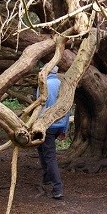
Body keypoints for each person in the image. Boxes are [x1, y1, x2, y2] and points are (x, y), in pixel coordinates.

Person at [36, 66, 70, 200]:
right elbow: (67, 108)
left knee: (50, 156)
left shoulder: (44, 85)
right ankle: (46, 177)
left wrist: (38, 125)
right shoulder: (63, 85)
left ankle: (57, 188)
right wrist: (64, 129)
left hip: (47, 125)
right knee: (40, 147)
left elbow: (40, 107)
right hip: (60, 124)